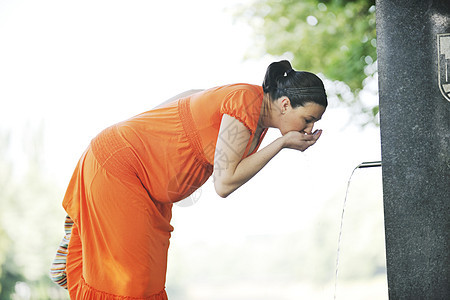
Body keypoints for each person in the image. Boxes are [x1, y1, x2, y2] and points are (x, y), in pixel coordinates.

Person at [50, 60, 328, 299]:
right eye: (307, 119)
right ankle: (80, 242)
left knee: (150, 279)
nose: (309, 128)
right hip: (122, 170)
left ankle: (79, 234)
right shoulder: (246, 102)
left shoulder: (252, 110)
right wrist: (281, 145)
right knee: (131, 282)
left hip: (148, 186)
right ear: (285, 104)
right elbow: (224, 183)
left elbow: (190, 96)